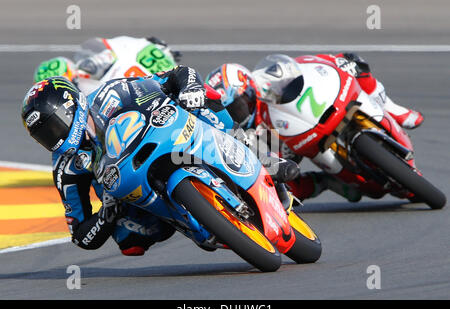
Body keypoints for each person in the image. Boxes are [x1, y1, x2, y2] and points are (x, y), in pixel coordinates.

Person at [21, 65, 208, 256]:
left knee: (206, 97)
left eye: (53, 127)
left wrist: (190, 88)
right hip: (132, 191)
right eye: (44, 135)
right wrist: (107, 214)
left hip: (166, 138)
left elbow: (177, 73)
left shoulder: (111, 93)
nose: (53, 137)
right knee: (128, 239)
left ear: (70, 108)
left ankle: (236, 138)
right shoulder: (65, 167)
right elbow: (79, 235)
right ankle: (190, 220)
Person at [205, 52, 424, 202]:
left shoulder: (268, 75)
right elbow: (264, 164)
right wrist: (277, 159)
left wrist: (338, 61)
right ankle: (326, 183)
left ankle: (396, 111)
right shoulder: (247, 132)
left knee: (354, 62)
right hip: (306, 145)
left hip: (326, 108)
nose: (238, 113)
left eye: (238, 104)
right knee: (282, 185)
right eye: (231, 111)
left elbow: (309, 63)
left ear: (249, 88)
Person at [33, 35, 182, 95]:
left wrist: (149, 42)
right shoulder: (82, 94)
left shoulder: (87, 65)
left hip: (151, 62)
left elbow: (111, 47)